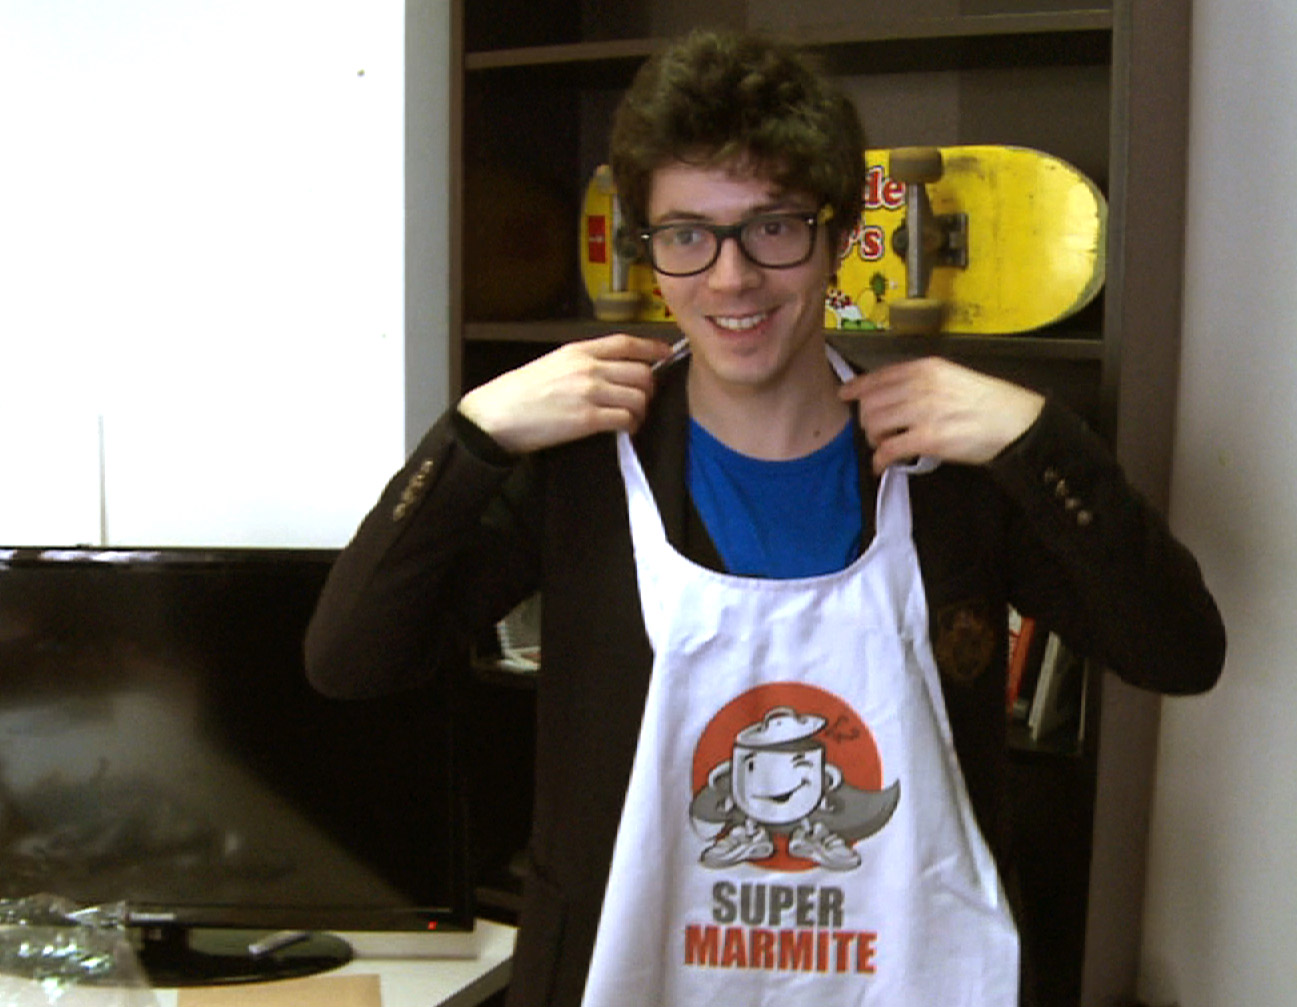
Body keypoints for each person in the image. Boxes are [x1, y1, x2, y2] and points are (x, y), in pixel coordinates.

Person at [306, 27, 1224, 1007]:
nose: (730, 277)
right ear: (649, 253)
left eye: (772, 227)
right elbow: (350, 659)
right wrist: (472, 434)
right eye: (686, 234)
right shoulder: (584, 474)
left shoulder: (948, 471)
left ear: (838, 237)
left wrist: (1039, 439)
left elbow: (1177, 650)